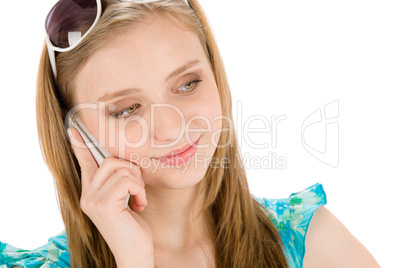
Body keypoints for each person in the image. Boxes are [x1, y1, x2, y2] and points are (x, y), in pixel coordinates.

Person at [0, 0, 380, 267]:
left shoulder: (309, 241)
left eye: (187, 84)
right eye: (127, 109)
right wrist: (133, 262)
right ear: (77, 133)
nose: (172, 127)